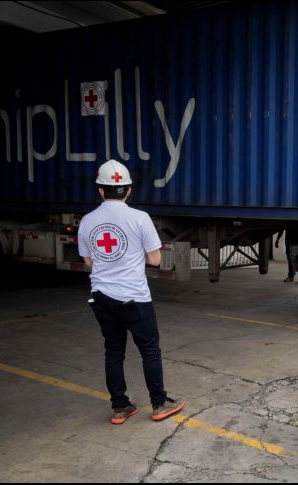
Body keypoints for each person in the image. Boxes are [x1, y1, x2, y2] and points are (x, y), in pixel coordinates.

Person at [78, 159, 186, 425]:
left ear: (100, 190)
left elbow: (88, 263)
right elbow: (155, 260)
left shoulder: (88, 221)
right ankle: (159, 404)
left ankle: (120, 408)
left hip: (102, 297)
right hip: (134, 298)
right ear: (128, 190)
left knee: (113, 351)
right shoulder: (140, 218)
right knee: (149, 350)